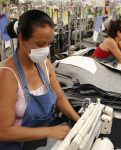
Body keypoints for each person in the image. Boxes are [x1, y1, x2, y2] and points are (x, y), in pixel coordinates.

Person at [0, 10, 80, 150]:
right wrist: (49, 132)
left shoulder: (45, 64)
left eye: (49, 44)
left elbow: (60, 98)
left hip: (43, 137)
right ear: (21, 39)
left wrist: (80, 121)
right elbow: (3, 131)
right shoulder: (7, 74)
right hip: (18, 144)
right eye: (40, 44)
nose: (45, 50)